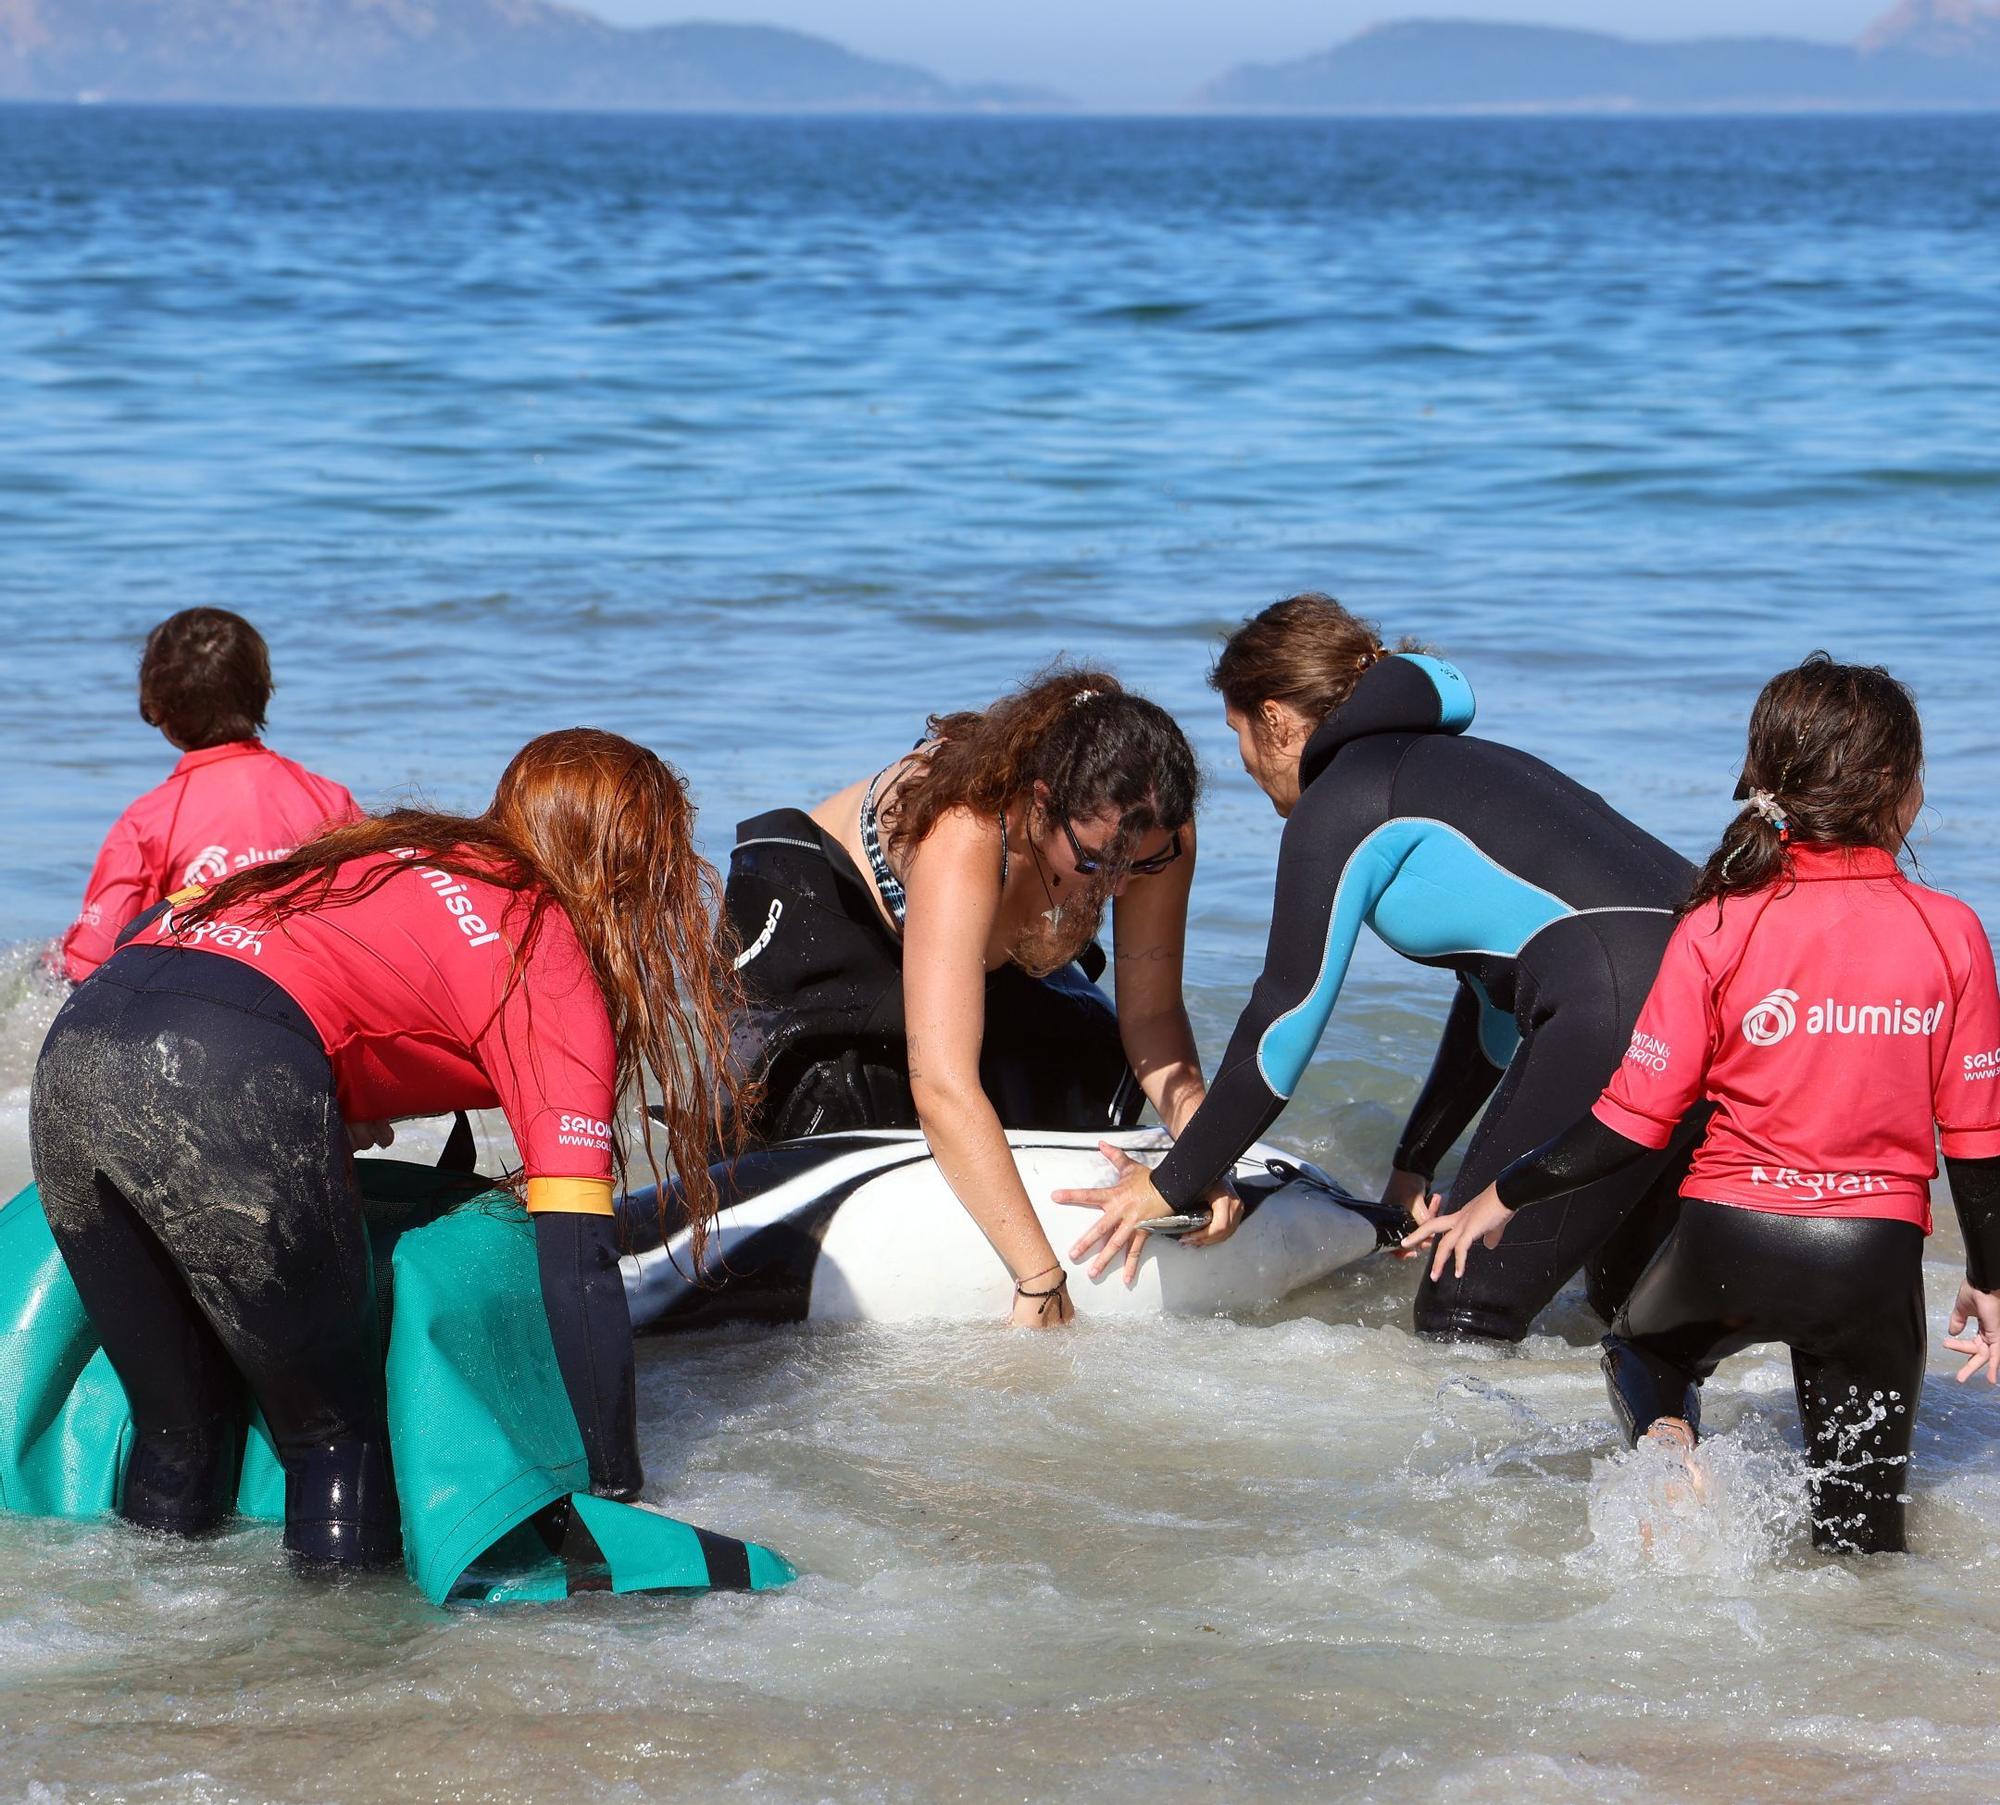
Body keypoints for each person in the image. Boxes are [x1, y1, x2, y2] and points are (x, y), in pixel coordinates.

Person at [29, 728, 746, 1568]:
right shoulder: (537, 949)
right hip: (225, 1068)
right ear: (627, 870)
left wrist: (316, 1086)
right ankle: (356, 1680)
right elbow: (577, 1253)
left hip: (77, 1051)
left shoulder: (387, 852)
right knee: (335, 1439)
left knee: (179, 1430)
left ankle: (149, 1661)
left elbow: (170, 934)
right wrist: (619, 1486)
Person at [1406, 654, 2000, 1554]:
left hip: (1728, 1242)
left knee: (1644, 1351)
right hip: (1868, 1263)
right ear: (1897, 792)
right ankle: (1870, 1671)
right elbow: (1977, 1136)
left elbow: (1630, 1122)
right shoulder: (1950, 930)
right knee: (1861, 1541)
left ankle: (1671, 1444)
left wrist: (1506, 1192)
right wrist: (1990, 1277)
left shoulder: (1717, 922)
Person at [1054, 595, 1698, 1342]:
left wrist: (1171, 1183)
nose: (1247, 765)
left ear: (1276, 719)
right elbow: (1501, 999)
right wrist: (1414, 1167)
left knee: (1463, 1311)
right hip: (1728, 992)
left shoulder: (1346, 800)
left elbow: (1283, 1022)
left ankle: (1509, 1463)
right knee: (1622, 1305)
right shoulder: (1461, 767)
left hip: (1621, 1006)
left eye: (1237, 733)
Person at [724, 667, 1230, 1328]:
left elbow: (1154, 1014)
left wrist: (1201, 1160)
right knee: (847, 1095)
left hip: (990, 934)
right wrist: (1039, 1276)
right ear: (1041, 802)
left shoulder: (1155, 830)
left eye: (1147, 864)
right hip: (825, 907)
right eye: (1100, 861)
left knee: (1089, 1071)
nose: (1124, 888)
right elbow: (942, 1083)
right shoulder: (965, 829)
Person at [58, 607, 360, 984]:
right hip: (311, 997)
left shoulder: (148, 823)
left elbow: (88, 961)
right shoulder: (328, 799)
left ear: (153, 707)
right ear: (263, 691)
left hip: (201, 1007)